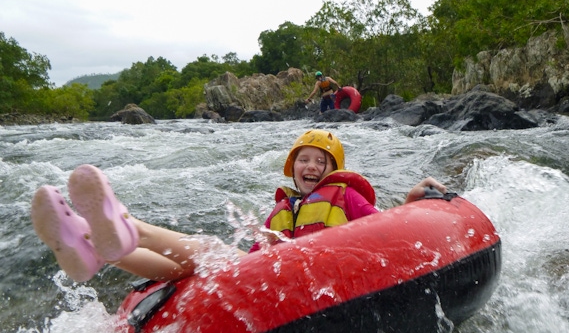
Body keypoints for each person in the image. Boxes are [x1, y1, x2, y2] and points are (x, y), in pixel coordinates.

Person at [31, 129, 446, 284]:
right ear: (292, 168)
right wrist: (267, 241)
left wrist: (409, 202)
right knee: (189, 269)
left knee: (211, 254)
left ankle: (128, 227)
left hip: (319, 279)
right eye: (305, 159)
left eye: (322, 162)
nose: (312, 166)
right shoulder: (279, 214)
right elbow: (252, 265)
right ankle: (94, 246)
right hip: (280, 281)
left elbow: (385, 230)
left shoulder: (346, 196)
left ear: (333, 172)